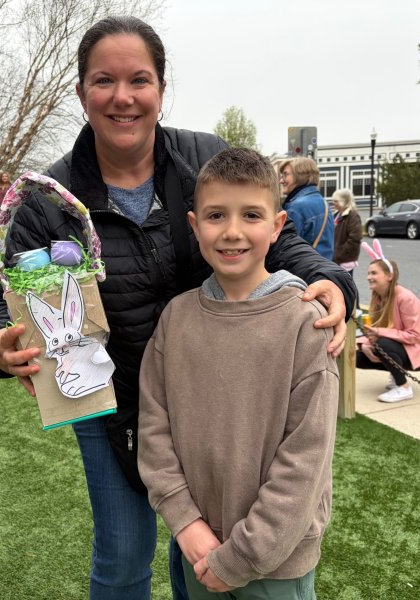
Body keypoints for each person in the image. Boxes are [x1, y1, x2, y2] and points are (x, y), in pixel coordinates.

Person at [0, 16, 356, 600]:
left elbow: (275, 238)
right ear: (81, 92)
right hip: (113, 404)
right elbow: (9, 309)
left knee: (201, 544)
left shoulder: (204, 158)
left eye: (139, 80)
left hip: (210, 399)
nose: (122, 97)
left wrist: (332, 282)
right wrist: (0, 349)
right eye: (104, 81)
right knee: (123, 556)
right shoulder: (49, 198)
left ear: (161, 89)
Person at [139, 147, 338, 599]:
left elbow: (305, 460)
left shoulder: (306, 324)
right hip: (199, 547)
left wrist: (242, 557)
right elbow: (154, 427)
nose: (232, 232)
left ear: (277, 225)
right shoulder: (176, 319)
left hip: (277, 562)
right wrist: (186, 524)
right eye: (216, 216)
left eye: (251, 215)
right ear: (194, 226)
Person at [356, 240, 420, 403]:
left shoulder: (406, 298)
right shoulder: (378, 297)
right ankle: (395, 373)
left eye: (374, 273)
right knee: (356, 355)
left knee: (383, 344)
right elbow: (376, 328)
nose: (368, 277)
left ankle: (403, 388)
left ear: (389, 276)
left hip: (419, 354)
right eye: (368, 273)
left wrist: (379, 333)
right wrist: (364, 343)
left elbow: (414, 336)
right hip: (397, 346)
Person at [278, 157, 335, 260]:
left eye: (285, 175)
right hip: (322, 268)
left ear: (300, 175)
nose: (281, 181)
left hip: (302, 272)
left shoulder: (296, 207)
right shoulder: (322, 202)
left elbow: (285, 250)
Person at [331, 188, 362, 276]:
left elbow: (355, 238)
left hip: (345, 261)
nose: (333, 204)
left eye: (336, 201)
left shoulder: (353, 216)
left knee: (345, 286)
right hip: (336, 260)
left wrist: (340, 253)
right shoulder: (337, 214)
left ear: (344, 201)